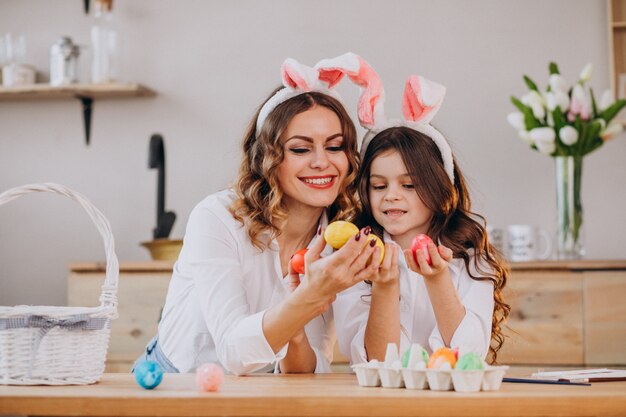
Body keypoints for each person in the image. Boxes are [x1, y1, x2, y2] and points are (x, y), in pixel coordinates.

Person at [134, 55, 378, 375]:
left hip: (260, 393)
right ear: (268, 157)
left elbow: (308, 369)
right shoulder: (218, 218)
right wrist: (306, 299)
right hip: (172, 381)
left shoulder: (338, 242)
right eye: (301, 149)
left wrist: (296, 330)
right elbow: (233, 352)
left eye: (335, 147)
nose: (322, 162)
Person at [329, 54, 510, 364]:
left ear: (439, 189)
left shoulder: (469, 255)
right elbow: (374, 361)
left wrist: (438, 279)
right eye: (379, 185)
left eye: (409, 185)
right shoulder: (354, 255)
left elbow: (469, 355)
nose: (392, 197)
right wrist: (385, 286)